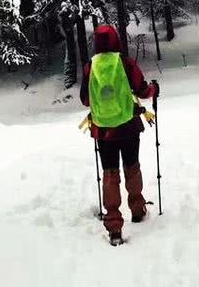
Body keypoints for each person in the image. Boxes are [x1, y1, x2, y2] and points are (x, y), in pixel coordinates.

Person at [80, 24, 160, 245]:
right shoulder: (125, 63)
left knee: (110, 173)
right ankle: (137, 209)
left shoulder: (90, 67)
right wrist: (154, 89)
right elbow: (143, 90)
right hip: (128, 125)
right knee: (132, 166)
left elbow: (85, 100)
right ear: (116, 40)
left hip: (103, 130)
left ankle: (114, 225)